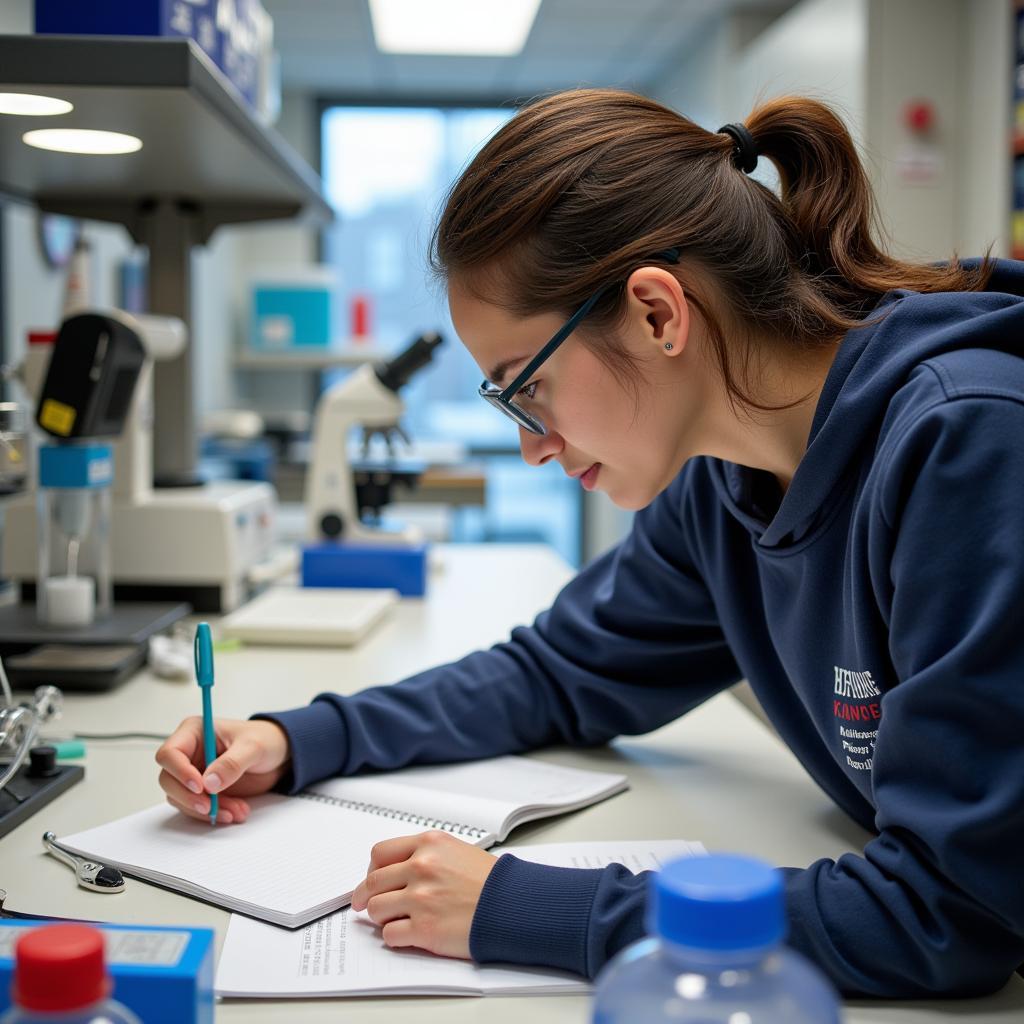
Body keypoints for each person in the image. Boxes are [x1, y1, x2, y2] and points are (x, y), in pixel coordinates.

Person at [156, 89, 1024, 998]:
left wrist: (523, 909)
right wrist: (298, 739)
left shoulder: (968, 445)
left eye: (524, 388)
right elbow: (558, 674)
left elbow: (953, 909)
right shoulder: (724, 482)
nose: (531, 445)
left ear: (657, 314)